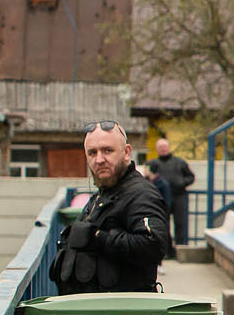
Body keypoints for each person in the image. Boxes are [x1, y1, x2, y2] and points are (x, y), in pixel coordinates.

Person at [52, 122, 172, 294]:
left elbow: (154, 245)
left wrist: (98, 237)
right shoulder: (104, 193)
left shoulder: (140, 193)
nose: (99, 159)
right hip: (96, 312)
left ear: (127, 152)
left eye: (107, 150)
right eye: (92, 153)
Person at [149, 136, 195, 249]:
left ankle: (181, 248)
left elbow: (191, 177)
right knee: (163, 225)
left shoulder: (180, 162)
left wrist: (182, 182)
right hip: (162, 198)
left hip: (179, 196)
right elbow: (147, 178)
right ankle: (167, 250)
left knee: (181, 223)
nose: (163, 149)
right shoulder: (153, 164)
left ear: (169, 148)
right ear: (157, 149)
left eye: (164, 146)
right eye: (160, 147)